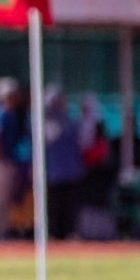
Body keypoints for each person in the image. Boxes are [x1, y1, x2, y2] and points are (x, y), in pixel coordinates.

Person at [0, 77, 29, 241]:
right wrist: (1, 158)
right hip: (3, 163)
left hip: (8, 161)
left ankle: (0, 231)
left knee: (6, 198)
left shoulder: (10, 112)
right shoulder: (1, 112)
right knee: (0, 198)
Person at [42, 86, 85, 241]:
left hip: (71, 170)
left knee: (70, 204)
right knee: (53, 204)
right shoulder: (44, 121)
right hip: (53, 172)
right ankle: (53, 233)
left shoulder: (69, 119)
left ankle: (70, 233)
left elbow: (83, 139)